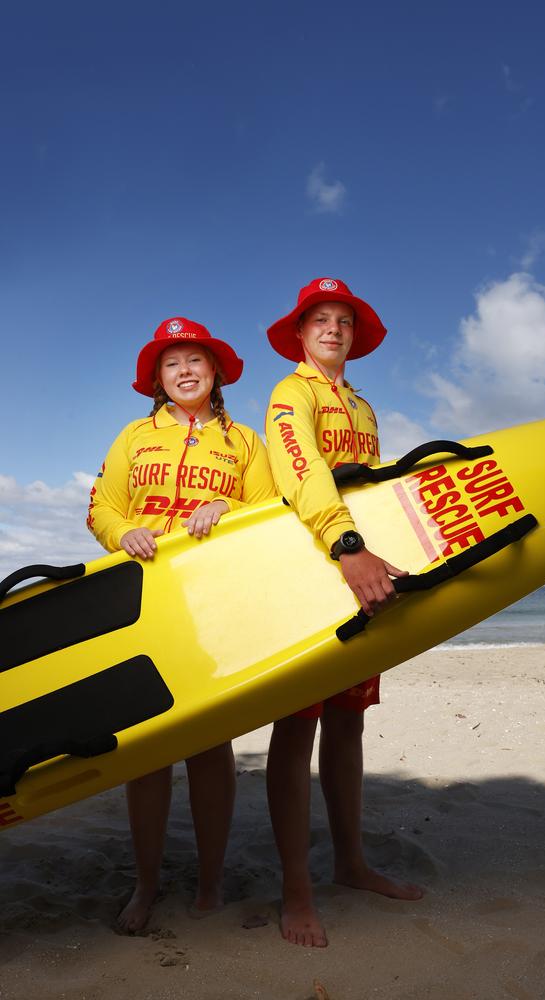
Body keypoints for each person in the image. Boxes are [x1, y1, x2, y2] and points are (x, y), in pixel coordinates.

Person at [87, 316, 275, 933]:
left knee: (209, 744)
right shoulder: (134, 437)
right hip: (142, 600)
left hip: (215, 602)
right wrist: (123, 531)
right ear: (157, 379)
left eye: (196, 360)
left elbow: (273, 508)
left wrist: (228, 505)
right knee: (146, 747)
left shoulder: (244, 440)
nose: (185, 371)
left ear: (216, 371)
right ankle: (145, 884)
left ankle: (212, 879)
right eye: (172, 363)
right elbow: (101, 506)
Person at [264, 278, 423, 948]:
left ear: (354, 336)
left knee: (349, 723)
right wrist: (348, 546)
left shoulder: (361, 405)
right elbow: (301, 474)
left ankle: (351, 864)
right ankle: (297, 893)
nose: (333, 329)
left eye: (343, 321)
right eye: (320, 320)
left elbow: (377, 487)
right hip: (312, 567)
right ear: (300, 334)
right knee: (297, 730)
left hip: (358, 571)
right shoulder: (289, 394)